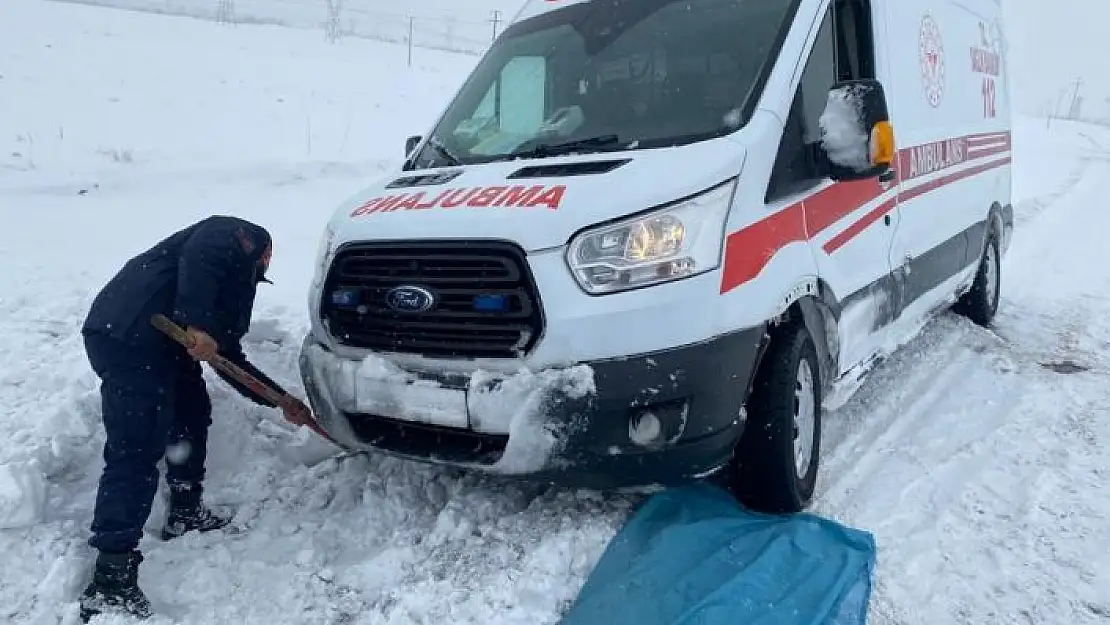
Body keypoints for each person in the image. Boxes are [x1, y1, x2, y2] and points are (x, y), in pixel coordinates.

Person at [77, 215, 315, 622]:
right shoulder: (235, 237)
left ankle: (185, 510)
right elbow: (204, 253)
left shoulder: (230, 288)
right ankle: (111, 576)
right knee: (136, 447)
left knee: (191, 412)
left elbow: (227, 359)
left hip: (167, 345)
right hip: (131, 335)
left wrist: (279, 400)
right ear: (263, 254)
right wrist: (199, 324)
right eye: (263, 266)